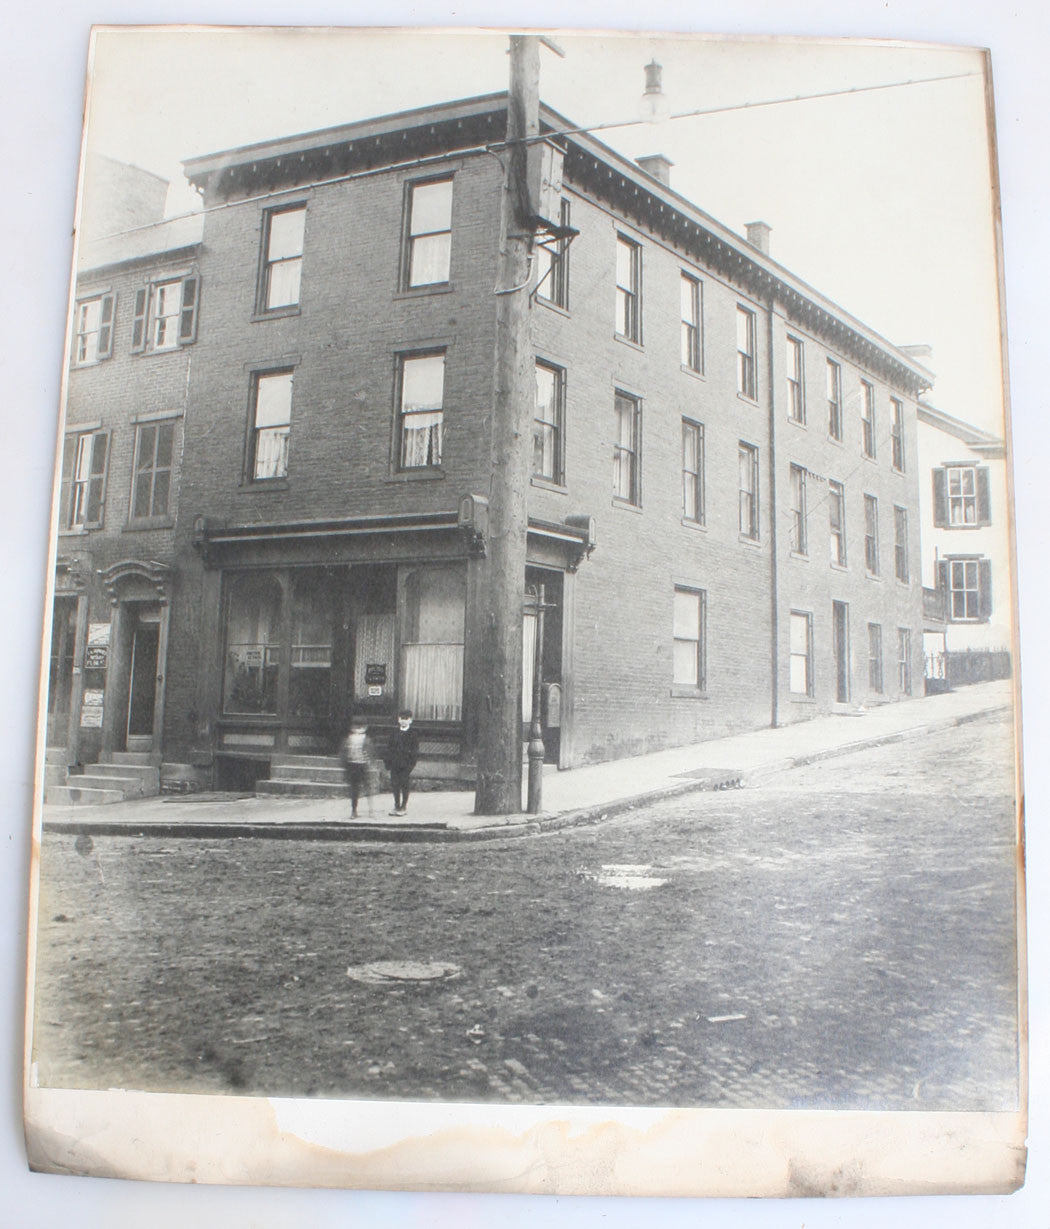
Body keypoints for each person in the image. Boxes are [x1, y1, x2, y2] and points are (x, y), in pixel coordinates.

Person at [383, 709, 419, 816]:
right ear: (398, 720)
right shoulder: (394, 733)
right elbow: (389, 749)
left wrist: (410, 765)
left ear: (410, 721)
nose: (403, 721)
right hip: (395, 764)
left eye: (406, 719)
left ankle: (403, 806)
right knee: (395, 785)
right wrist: (388, 763)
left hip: (405, 765)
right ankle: (396, 805)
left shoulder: (413, 734)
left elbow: (414, 752)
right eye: (401, 719)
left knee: (404, 785)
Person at [340, 716, 374, 819]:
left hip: (363, 766)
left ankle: (371, 810)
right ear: (352, 728)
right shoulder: (348, 740)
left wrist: (370, 763)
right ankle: (354, 810)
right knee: (354, 790)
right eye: (356, 727)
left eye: (361, 727)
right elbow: (343, 754)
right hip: (352, 766)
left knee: (368, 788)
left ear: (365, 728)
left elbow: (371, 753)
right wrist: (345, 767)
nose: (358, 729)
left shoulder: (367, 740)